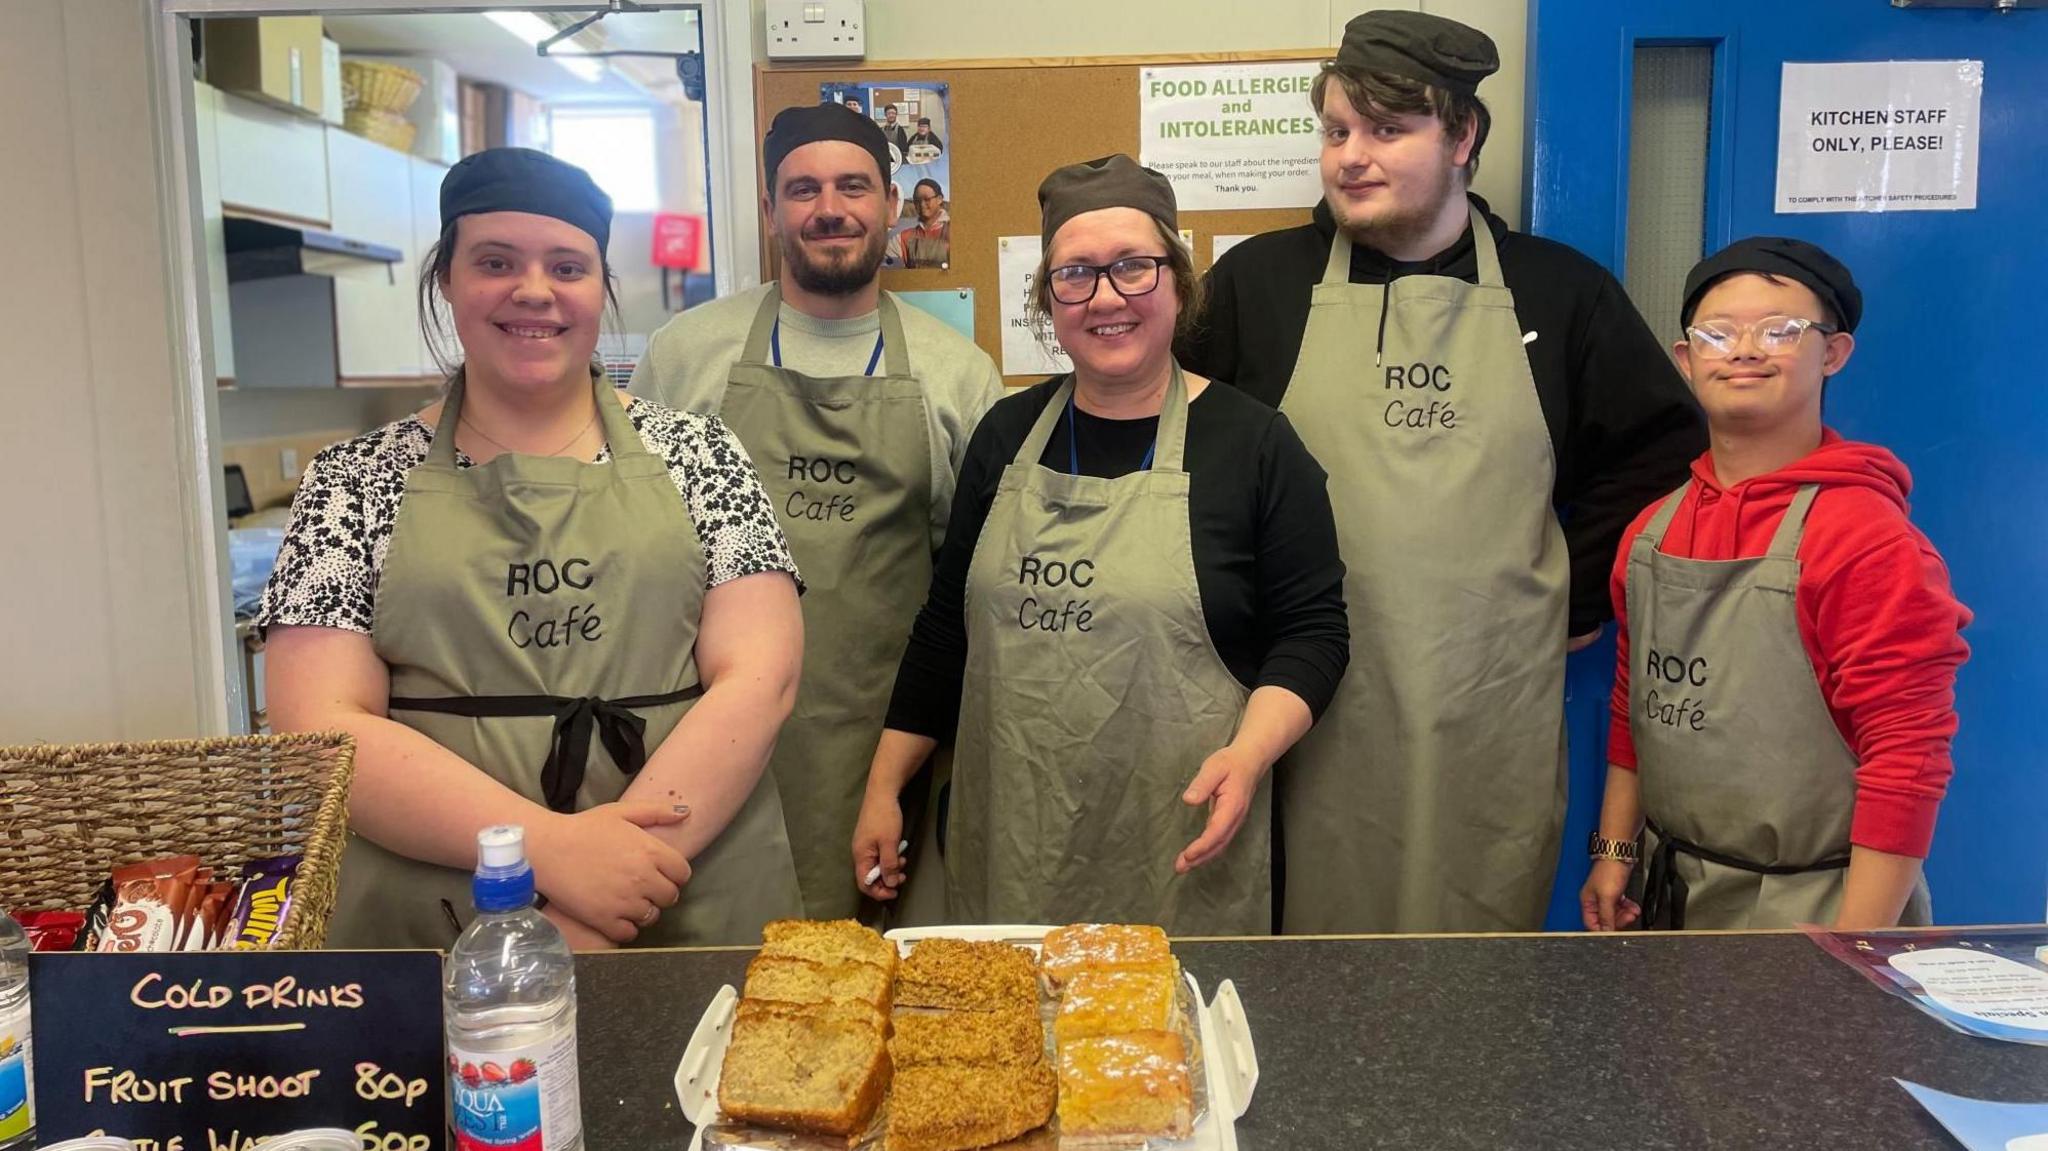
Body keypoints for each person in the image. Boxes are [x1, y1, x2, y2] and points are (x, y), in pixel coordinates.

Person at [1179, 9, 1707, 934]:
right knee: (1306, 966)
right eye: (1337, 131)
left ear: (1463, 135)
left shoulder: (1561, 293)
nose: (1352, 156)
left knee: (1467, 973)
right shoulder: (1259, 287)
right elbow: (1187, 459)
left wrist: (1574, 592)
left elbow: (1663, 454)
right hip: (1298, 703)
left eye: (1389, 130)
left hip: (1483, 702)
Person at [259, 148, 806, 949]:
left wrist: (617, 882)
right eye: (495, 261)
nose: (534, 290)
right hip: (443, 914)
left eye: (567, 265)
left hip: (679, 893)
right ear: (446, 277)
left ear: (600, 287)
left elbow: (762, 676)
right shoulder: (354, 481)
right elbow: (319, 726)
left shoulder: (702, 455)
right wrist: (550, 852)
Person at [853, 155, 1349, 933]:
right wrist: (885, 787)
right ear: (1048, 302)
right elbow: (946, 629)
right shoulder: (1006, 436)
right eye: (1075, 274)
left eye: (1133, 267)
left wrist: (1250, 753)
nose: (1106, 296)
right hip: (1013, 844)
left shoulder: (1256, 446)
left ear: (1178, 283)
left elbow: (1314, 634)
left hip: (1180, 847)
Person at [634, 104, 1002, 921]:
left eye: (852, 186)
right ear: (770, 210)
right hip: (706, 739)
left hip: (889, 740)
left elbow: (970, 592)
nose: (828, 208)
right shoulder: (686, 352)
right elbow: (637, 556)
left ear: (892, 203)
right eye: (802, 188)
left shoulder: (958, 374)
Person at [1580, 238, 1970, 933]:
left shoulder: (1864, 537)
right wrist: (1616, 851)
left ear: (1835, 353)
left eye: (1781, 330)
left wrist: (1855, 948)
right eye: (1718, 333)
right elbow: (1635, 705)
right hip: (1673, 896)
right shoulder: (1650, 533)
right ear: (1685, 358)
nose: (1745, 350)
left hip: (1818, 911)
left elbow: (1906, 755)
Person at [895, 178, 951, 269]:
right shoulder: (904, 237)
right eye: (917, 200)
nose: (921, 204)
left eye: (927, 199)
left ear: (940, 199)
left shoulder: (955, 231)